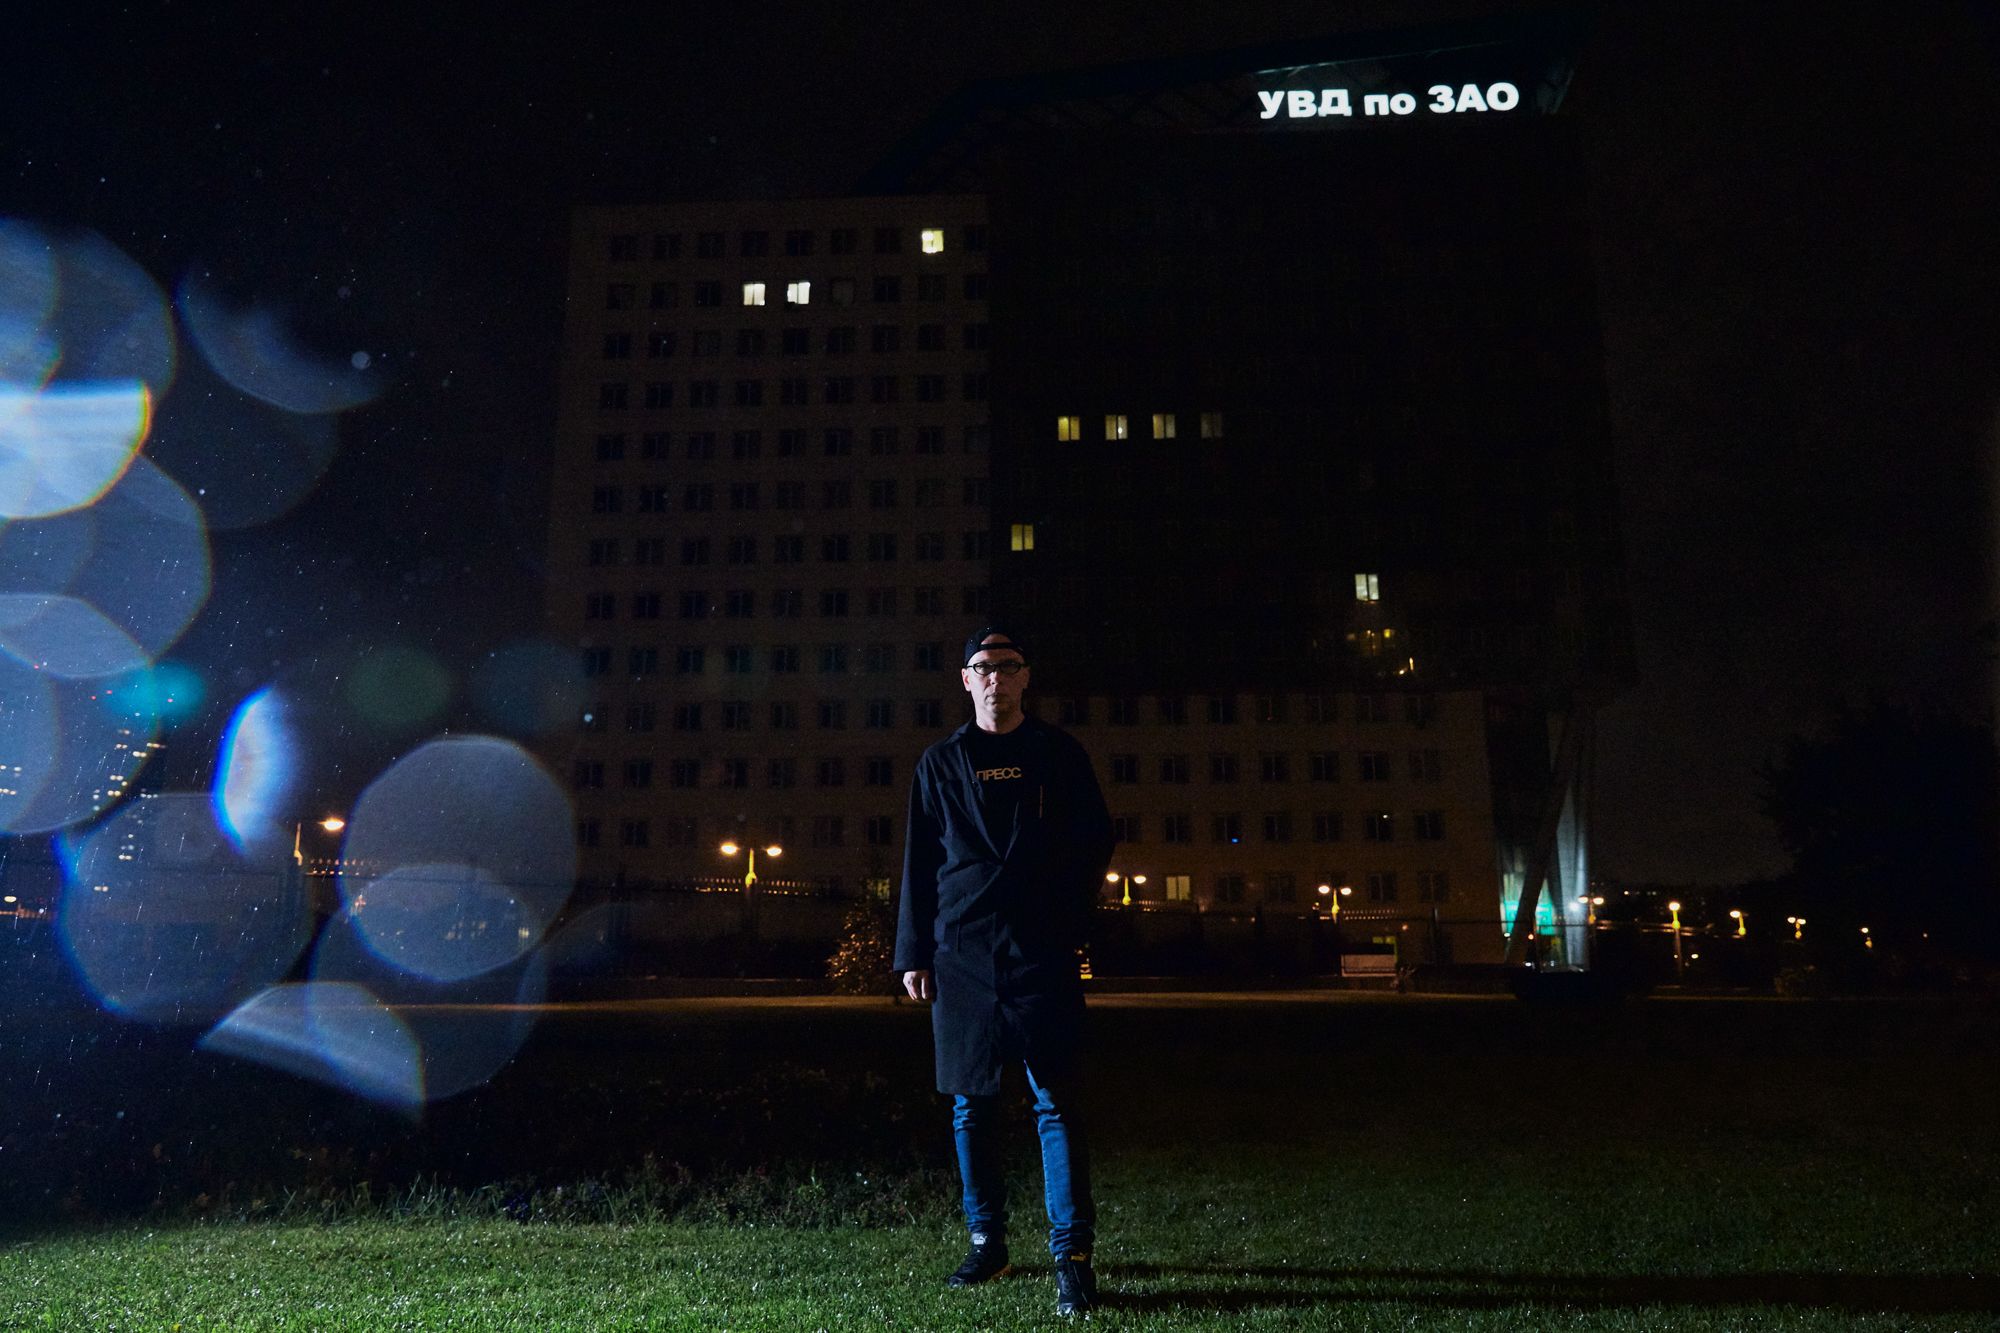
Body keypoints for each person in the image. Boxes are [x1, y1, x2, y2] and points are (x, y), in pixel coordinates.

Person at [893, 627, 1114, 1318]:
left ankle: (1072, 1258)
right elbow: (919, 860)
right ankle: (988, 1242)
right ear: (966, 680)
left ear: (1025, 678)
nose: (996, 677)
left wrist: (1065, 917)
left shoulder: (1058, 754)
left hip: (1040, 951)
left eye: (1008, 666)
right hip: (963, 952)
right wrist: (912, 951)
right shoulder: (940, 762)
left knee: (1056, 1100)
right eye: (983, 667)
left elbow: (1095, 840)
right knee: (971, 1105)